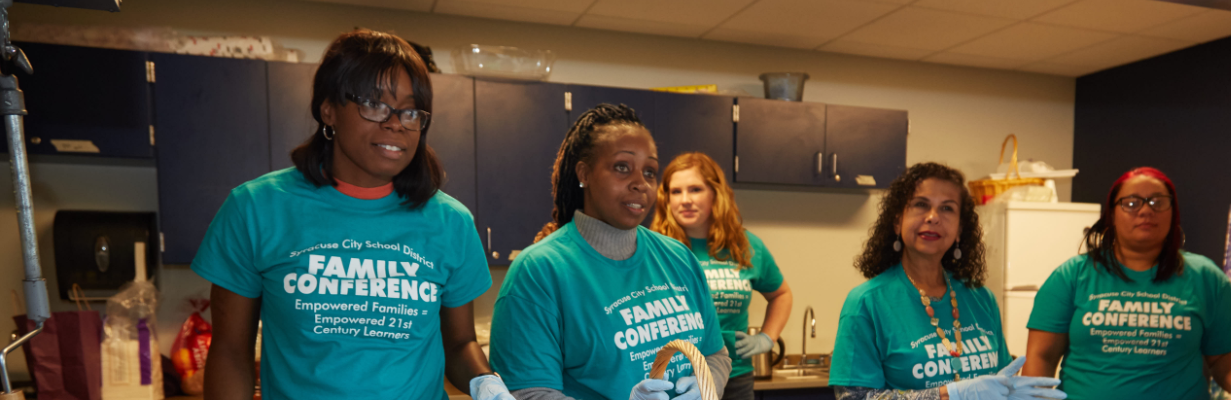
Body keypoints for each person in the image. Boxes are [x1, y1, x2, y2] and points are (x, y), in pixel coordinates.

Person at [196, 29, 509, 400]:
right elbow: (231, 353)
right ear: (328, 108)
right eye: (375, 104)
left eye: (410, 111)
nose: (396, 123)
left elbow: (458, 345)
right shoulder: (256, 209)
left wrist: (487, 385)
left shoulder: (451, 222)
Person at [489, 104, 730, 400]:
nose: (640, 183)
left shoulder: (678, 258)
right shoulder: (540, 271)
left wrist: (708, 385)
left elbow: (716, 354)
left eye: (650, 172)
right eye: (622, 167)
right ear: (584, 174)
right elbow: (528, 393)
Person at [829, 162, 1065, 400]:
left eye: (947, 209)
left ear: (960, 229)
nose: (933, 217)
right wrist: (948, 395)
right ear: (897, 221)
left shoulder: (981, 298)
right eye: (921, 205)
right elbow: (853, 398)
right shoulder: (866, 303)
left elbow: (1001, 381)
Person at [1022, 167, 1231, 400]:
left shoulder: (1205, 277)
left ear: (1173, 213)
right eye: (1132, 203)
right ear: (1112, 215)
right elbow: (1041, 357)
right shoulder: (1070, 276)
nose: (1146, 210)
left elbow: (1227, 356)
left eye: (1158, 202)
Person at [652, 152, 794, 400]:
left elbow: (781, 294)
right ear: (665, 198)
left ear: (715, 194)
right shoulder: (654, 248)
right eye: (675, 191)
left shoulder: (746, 245)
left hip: (736, 376)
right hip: (678, 378)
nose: (685, 200)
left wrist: (767, 338)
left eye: (695, 189)